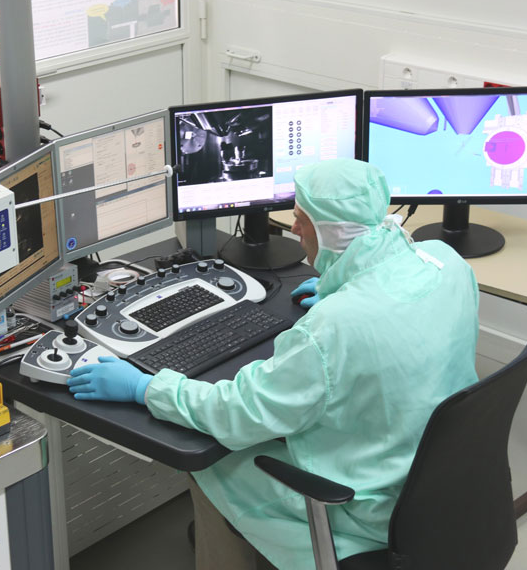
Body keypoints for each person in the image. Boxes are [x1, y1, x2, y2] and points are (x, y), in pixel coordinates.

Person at [67, 159, 479, 569]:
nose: (294, 229)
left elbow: (237, 414)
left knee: (209, 459)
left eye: (302, 219)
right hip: (432, 479)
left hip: (363, 505)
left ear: (331, 232)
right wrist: (342, 285)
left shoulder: (332, 328)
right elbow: (395, 312)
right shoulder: (446, 263)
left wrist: (142, 388)